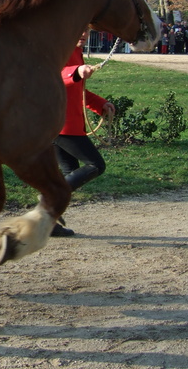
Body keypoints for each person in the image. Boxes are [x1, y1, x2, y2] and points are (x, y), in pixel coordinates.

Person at [52, 30, 116, 237]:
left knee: (70, 171)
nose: (83, 33)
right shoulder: (60, 48)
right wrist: (76, 71)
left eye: (87, 30)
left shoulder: (76, 51)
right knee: (96, 165)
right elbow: (52, 76)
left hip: (62, 123)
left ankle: (48, 223)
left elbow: (77, 91)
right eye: (79, 28)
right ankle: (47, 206)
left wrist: (101, 104)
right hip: (62, 124)